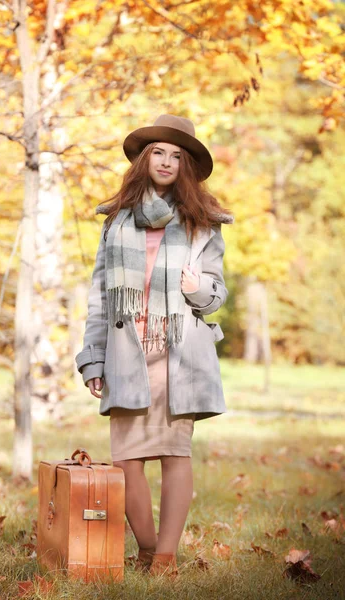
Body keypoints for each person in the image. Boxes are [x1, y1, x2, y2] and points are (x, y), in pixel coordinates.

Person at [75, 114, 234, 576]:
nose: (167, 161)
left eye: (176, 156)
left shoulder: (203, 223)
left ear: (186, 167)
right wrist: (93, 358)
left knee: (173, 451)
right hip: (128, 349)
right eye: (159, 153)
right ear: (145, 160)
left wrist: (196, 289)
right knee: (127, 458)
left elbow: (217, 292)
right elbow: (99, 296)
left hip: (178, 348)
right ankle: (146, 548)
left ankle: (164, 558)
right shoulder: (117, 222)